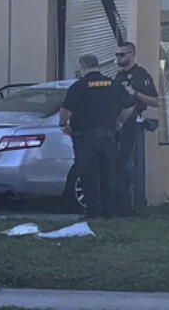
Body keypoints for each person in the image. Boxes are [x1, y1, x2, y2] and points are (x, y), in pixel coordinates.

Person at [59, 54, 125, 218]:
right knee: (107, 174)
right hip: (108, 137)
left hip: (85, 138)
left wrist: (63, 125)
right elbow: (129, 106)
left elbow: (66, 110)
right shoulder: (113, 84)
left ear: (83, 66)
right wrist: (118, 122)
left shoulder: (79, 86)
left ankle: (93, 212)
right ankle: (109, 212)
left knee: (89, 175)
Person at [112, 42, 159, 216]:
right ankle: (118, 205)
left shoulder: (141, 75)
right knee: (117, 165)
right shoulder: (118, 76)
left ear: (132, 54)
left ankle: (132, 205)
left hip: (132, 125)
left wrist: (135, 93)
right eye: (116, 55)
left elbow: (155, 101)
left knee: (127, 164)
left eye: (122, 55)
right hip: (117, 125)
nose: (118, 58)